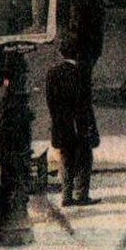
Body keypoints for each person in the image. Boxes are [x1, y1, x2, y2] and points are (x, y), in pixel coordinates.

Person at [45, 45, 99, 206]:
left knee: (65, 159)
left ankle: (66, 196)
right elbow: (86, 104)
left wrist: (56, 121)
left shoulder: (52, 73)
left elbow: (50, 101)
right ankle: (81, 194)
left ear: (61, 53)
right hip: (79, 125)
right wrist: (91, 126)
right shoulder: (81, 73)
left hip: (61, 124)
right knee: (84, 159)